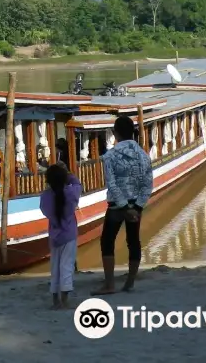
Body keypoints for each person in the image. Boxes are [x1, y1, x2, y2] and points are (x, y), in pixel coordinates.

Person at [92, 115, 153, 295]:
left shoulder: (110, 156)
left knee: (107, 241)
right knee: (133, 242)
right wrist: (137, 208)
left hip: (117, 207)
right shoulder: (144, 156)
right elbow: (148, 184)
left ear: (114, 133)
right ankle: (130, 282)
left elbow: (112, 184)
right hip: (136, 207)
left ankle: (110, 284)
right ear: (133, 132)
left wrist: (124, 207)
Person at [39, 164, 82, 309]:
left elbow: (45, 210)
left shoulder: (45, 197)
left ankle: (55, 300)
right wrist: (68, 174)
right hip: (69, 235)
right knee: (67, 266)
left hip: (54, 236)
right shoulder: (71, 193)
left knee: (55, 267)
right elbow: (77, 183)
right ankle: (65, 300)